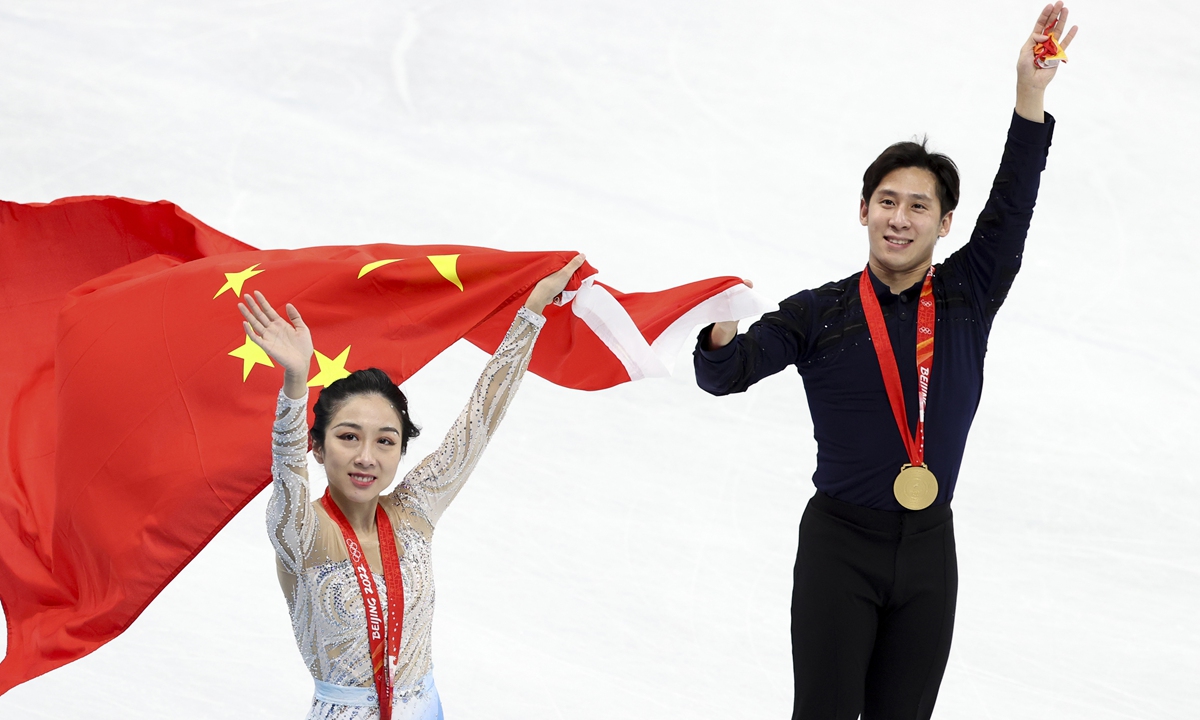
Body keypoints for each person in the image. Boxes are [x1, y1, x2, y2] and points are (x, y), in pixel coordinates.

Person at [693, 5, 1077, 719]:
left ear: (944, 223)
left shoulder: (967, 294)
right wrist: (716, 332)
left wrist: (1030, 97)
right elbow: (726, 373)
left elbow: (1014, 206)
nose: (900, 218)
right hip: (840, 548)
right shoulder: (819, 312)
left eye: (918, 207)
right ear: (863, 210)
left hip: (931, 551)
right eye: (887, 202)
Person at [237, 254, 585, 720]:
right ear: (317, 448)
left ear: (401, 453)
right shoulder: (303, 532)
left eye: (385, 441)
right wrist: (296, 384)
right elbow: (286, 472)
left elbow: (478, 423)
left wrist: (532, 313)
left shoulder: (413, 512)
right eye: (347, 437)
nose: (366, 456)